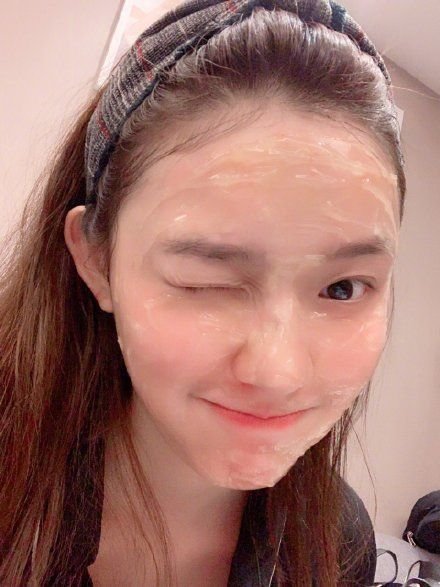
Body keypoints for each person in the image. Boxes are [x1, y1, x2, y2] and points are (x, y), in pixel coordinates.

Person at [0, 0, 406, 585]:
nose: (277, 373)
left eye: (342, 289)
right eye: (205, 282)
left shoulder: (337, 545)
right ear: (96, 260)